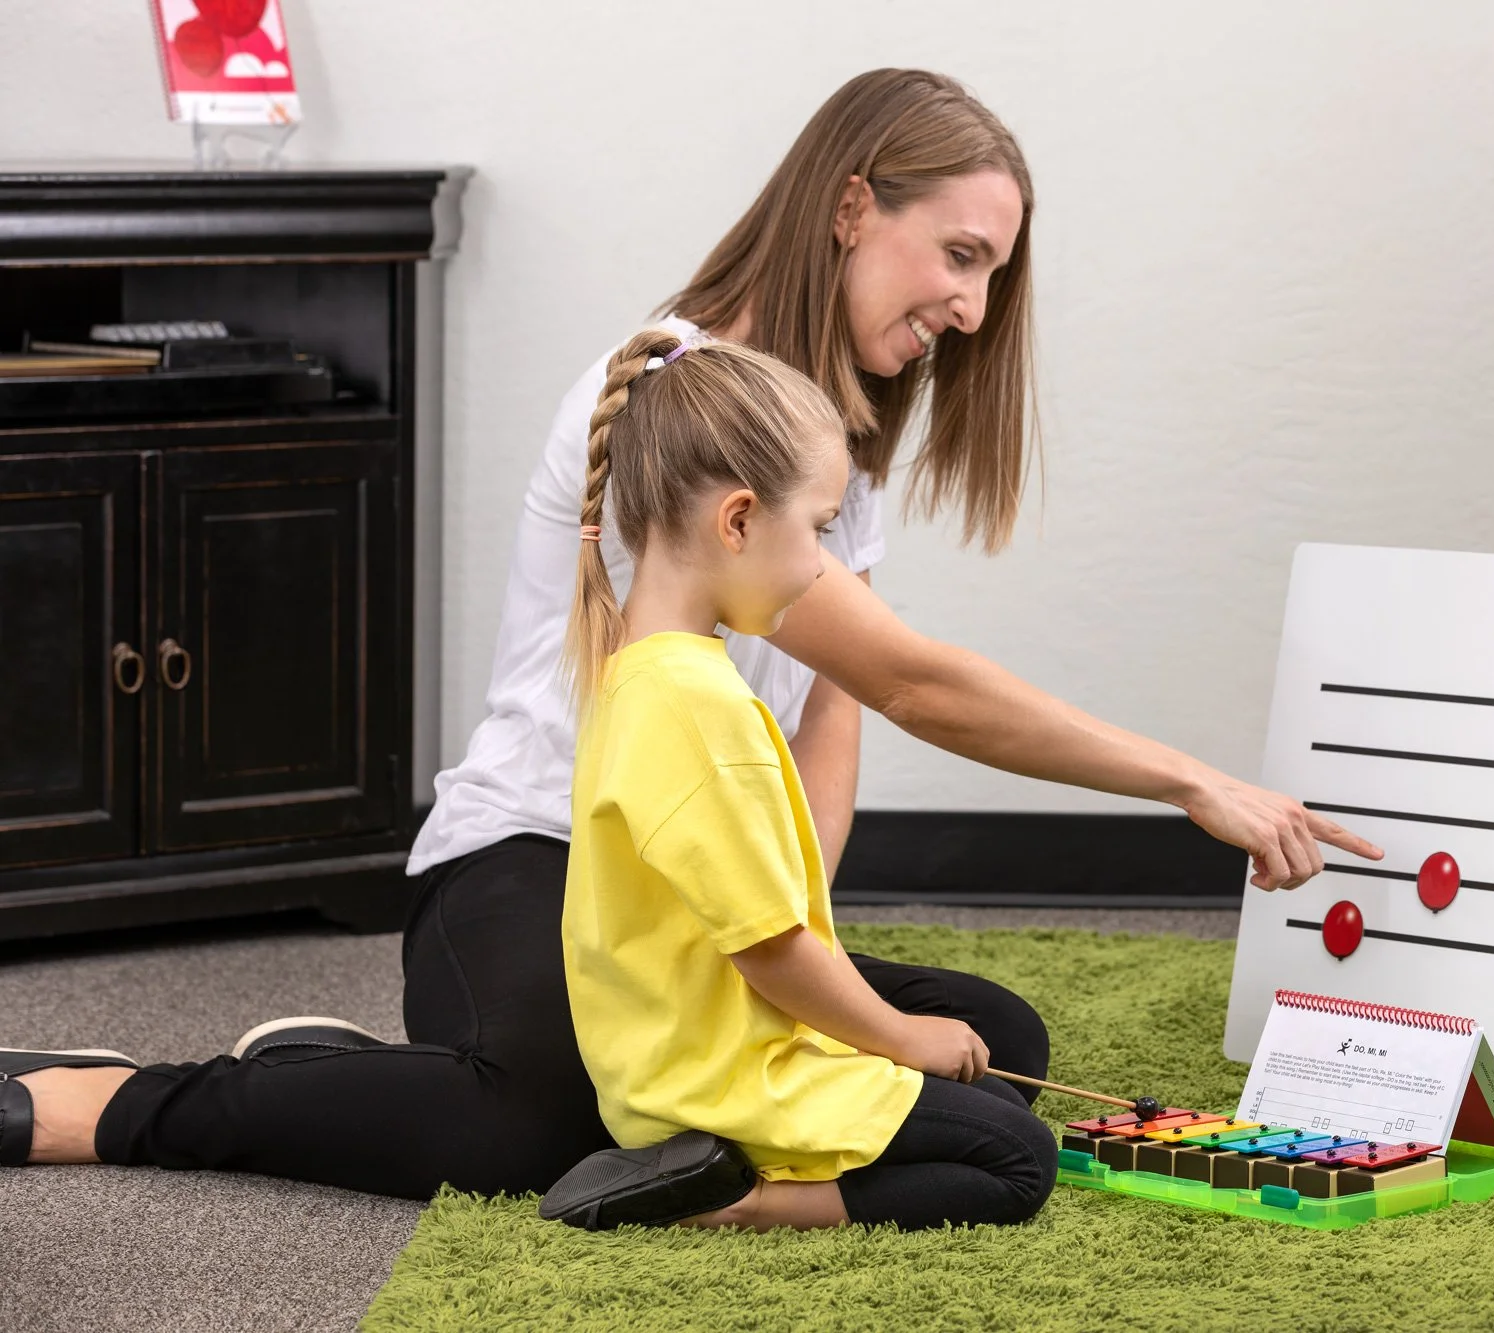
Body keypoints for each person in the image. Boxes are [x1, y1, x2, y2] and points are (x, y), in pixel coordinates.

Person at [3, 69, 1379, 1196]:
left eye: (990, 273)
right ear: (852, 207)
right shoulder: (672, 403)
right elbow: (909, 681)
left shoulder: (829, 441)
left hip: (697, 907)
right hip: (531, 867)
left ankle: (357, 1070)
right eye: (958, 255)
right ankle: (118, 1101)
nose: (970, 307)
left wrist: (807, 938)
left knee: (998, 1048)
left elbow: (835, 708)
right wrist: (1191, 779)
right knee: (535, 1127)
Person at [540, 328, 1052, 1233]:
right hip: (721, 1080)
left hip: (677, 1057)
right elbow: (770, 950)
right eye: (817, 529)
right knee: (1018, 1158)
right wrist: (898, 1039)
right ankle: (727, 1199)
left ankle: (723, 1167)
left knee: (1005, 1071)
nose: (822, 564)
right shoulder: (699, 705)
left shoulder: (643, 671)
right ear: (736, 520)